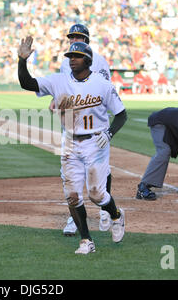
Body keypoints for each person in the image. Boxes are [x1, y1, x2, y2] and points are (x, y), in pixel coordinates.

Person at [18, 37, 128, 254]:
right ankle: (86, 240)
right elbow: (27, 83)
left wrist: (109, 133)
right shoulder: (59, 81)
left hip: (95, 143)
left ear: (88, 60)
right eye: (70, 56)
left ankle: (116, 215)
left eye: (77, 56)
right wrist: (22, 60)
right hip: (70, 143)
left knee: (97, 194)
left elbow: (121, 114)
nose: (72, 60)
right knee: (73, 195)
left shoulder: (102, 84)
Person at [48, 24, 114, 237]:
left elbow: (106, 89)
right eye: (72, 37)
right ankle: (73, 218)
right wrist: (54, 99)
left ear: (87, 39)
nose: (75, 39)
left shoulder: (99, 61)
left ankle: (105, 209)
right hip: (71, 122)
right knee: (72, 174)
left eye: (80, 37)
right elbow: (62, 87)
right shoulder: (66, 63)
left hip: (94, 122)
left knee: (100, 170)